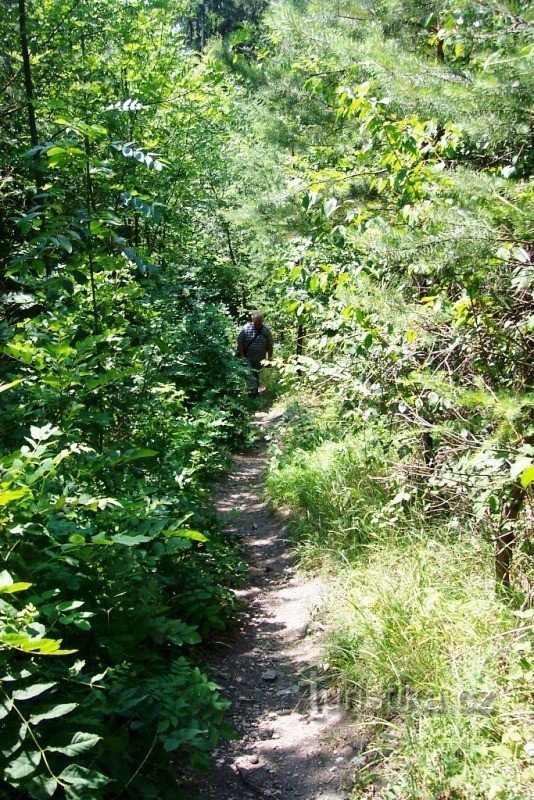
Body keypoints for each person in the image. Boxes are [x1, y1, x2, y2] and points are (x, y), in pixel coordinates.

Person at [237, 311, 273, 397]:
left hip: (260, 359)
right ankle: (252, 394)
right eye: (256, 322)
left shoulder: (266, 330)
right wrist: (242, 356)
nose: (258, 324)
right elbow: (240, 341)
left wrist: (269, 358)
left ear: (262, 321)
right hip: (248, 357)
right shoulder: (246, 328)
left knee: (255, 373)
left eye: (260, 321)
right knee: (249, 374)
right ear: (252, 320)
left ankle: (255, 391)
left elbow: (270, 345)